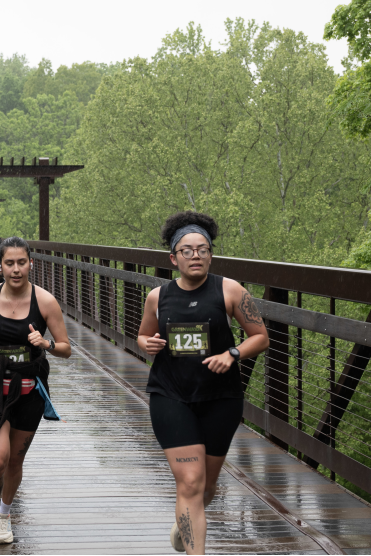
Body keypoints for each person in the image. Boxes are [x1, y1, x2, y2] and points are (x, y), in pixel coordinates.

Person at [136, 211, 269, 555]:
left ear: (211, 254)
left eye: (202, 250)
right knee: (190, 483)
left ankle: (185, 524)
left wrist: (233, 354)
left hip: (220, 399)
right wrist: (146, 344)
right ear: (173, 258)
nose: (195, 256)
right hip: (171, 395)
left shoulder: (231, 291)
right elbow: (142, 335)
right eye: (187, 251)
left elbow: (261, 337)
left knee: (206, 488)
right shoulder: (158, 297)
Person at [0, 236, 71, 554]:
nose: (15, 269)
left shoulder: (46, 302)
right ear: (0, 265)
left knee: (14, 462)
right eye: (8, 263)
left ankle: (5, 515)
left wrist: (47, 344)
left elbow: (65, 348)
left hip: (29, 392)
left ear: (30, 264)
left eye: (21, 262)